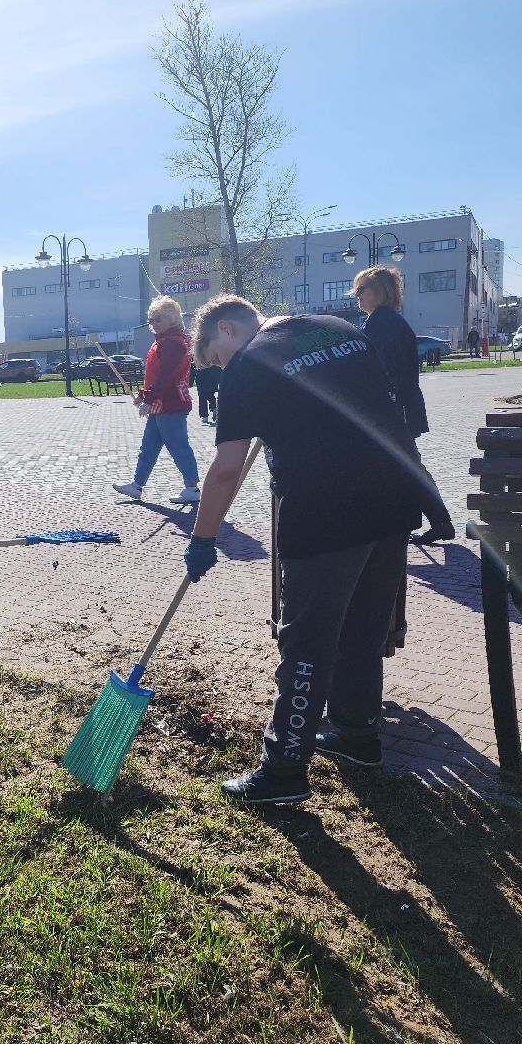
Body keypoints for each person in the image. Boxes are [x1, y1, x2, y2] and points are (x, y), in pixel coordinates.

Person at [183, 294, 422, 805]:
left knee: (307, 640)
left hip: (325, 512)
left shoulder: (248, 363)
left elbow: (226, 469)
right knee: (364, 626)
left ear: (226, 330)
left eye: (215, 358)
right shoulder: (339, 328)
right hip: (394, 496)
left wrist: (203, 538)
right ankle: (357, 736)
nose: (220, 369)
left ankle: (284, 769)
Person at [353, 266, 455, 546]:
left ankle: (428, 522)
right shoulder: (383, 321)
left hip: (392, 408)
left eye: (362, 289)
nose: (357, 295)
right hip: (396, 406)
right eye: (356, 289)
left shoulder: (383, 323)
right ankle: (435, 521)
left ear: (381, 292)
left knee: (405, 465)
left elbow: (379, 370)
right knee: (406, 464)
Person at [112, 295, 200, 504]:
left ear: (172, 318)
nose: (153, 324)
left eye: (158, 318)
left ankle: (192, 488)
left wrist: (148, 399)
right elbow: (158, 377)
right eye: (151, 320)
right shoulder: (166, 342)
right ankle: (137, 485)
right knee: (149, 446)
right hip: (163, 403)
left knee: (178, 445)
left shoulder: (172, 343)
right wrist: (145, 396)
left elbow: (166, 376)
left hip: (171, 403)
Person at [196, 360, 221, 426]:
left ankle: (205, 416)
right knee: (211, 394)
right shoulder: (214, 352)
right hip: (213, 375)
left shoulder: (200, 352)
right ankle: (214, 408)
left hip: (203, 373)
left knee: (202, 397)